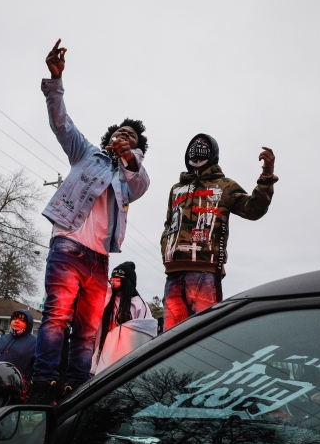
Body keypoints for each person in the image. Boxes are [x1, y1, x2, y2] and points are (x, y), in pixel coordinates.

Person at [30, 39, 151, 405]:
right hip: (68, 245)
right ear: (106, 139)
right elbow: (61, 123)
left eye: (129, 137)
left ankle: (77, 387)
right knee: (56, 315)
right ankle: (43, 384)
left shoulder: (133, 176)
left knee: (86, 329)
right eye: (117, 134)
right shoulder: (87, 154)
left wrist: (129, 159)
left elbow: (139, 184)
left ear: (137, 148)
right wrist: (55, 83)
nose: (121, 138)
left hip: (99, 258)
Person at [161, 134, 277, 329]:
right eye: (194, 144)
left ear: (213, 152)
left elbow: (254, 209)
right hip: (173, 273)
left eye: (204, 145)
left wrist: (267, 174)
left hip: (206, 271)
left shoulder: (225, 186)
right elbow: (169, 222)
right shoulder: (176, 188)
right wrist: (165, 247)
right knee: (170, 338)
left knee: (203, 333)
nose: (198, 147)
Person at [92, 261, 157, 375]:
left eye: (120, 277)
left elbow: (144, 334)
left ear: (128, 282)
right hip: (101, 356)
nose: (114, 280)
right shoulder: (105, 300)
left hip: (128, 359)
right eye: (113, 277)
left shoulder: (139, 305)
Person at [0, 309, 36, 381]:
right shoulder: (3, 339)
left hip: (17, 387)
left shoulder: (34, 343)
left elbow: (37, 370)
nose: (17, 321)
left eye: (22, 320)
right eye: (14, 318)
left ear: (28, 324)